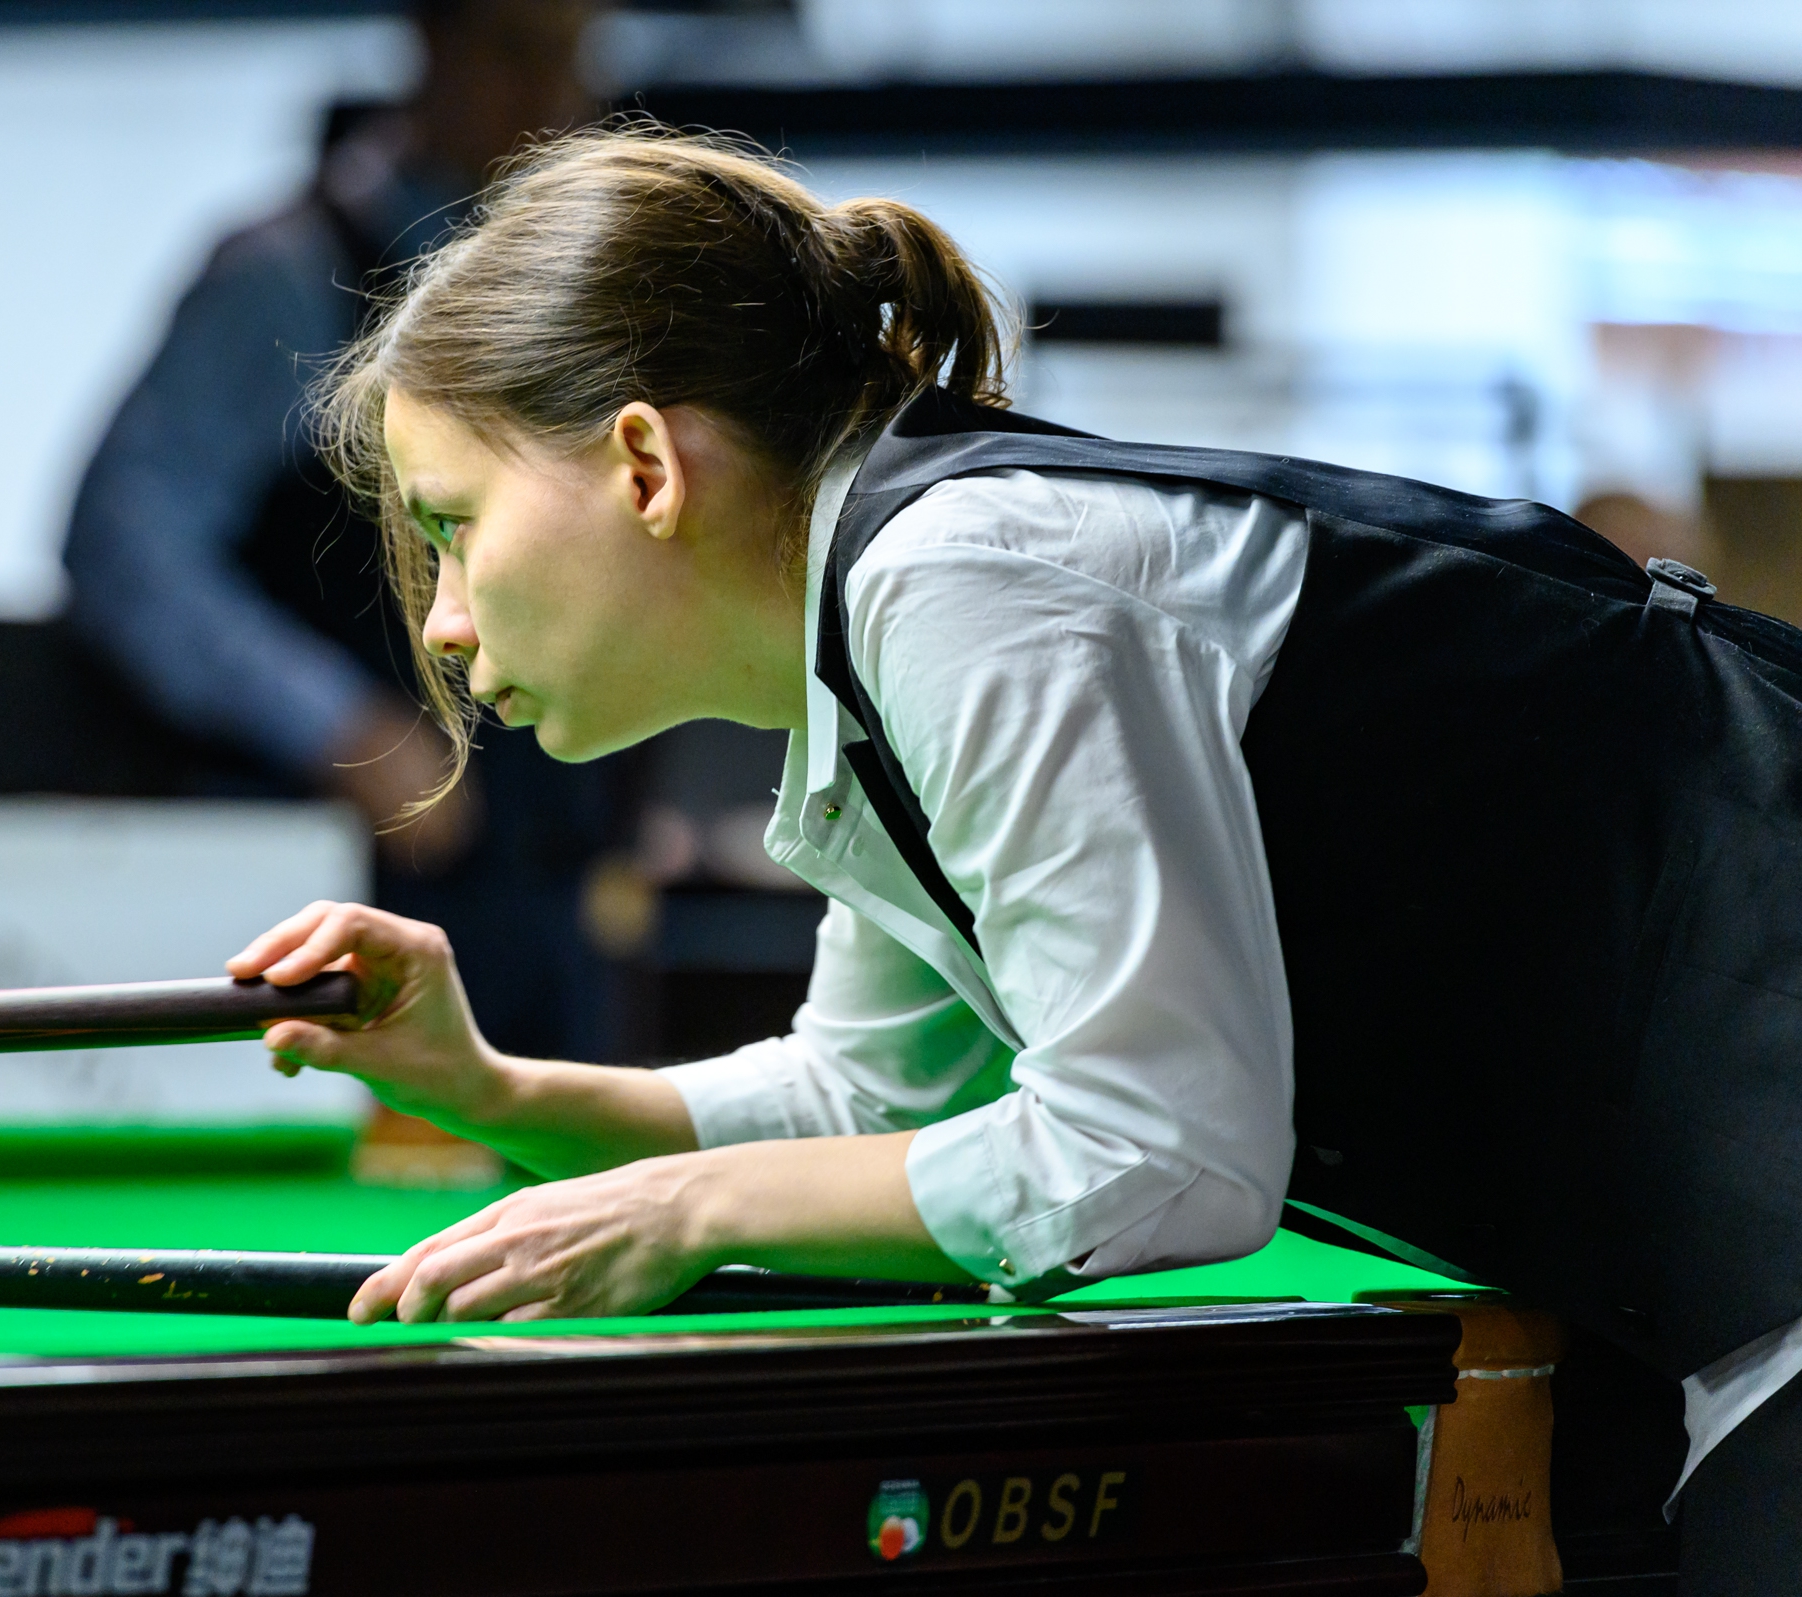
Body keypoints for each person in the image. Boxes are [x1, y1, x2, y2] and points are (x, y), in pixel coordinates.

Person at [220, 125, 1802, 1590]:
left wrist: (690, 1206)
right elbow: (876, 1099)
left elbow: (1158, 1152)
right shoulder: (878, 633)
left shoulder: (961, 579)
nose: (442, 620)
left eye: (454, 524)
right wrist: (496, 1091)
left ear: (645, 466)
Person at [62, 0, 619, 1061]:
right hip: (323, 903)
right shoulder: (286, 275)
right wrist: (334, 724)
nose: (555, 100)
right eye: (521, 54)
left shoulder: (575, 301)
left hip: (538, 900)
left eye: (577, 63)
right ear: (435, 42)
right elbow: (126, 546)